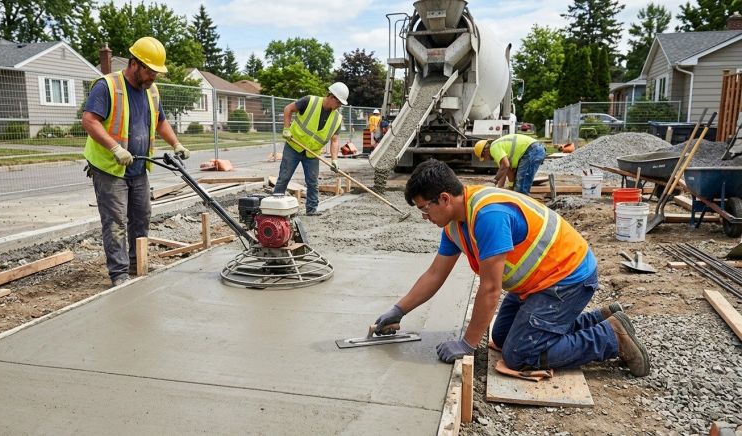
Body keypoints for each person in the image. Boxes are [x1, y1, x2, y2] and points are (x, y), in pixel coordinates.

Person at [373, 159, 650, 377]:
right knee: (503, 337)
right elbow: (434, 274)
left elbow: (491, 290)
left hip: (566, 280)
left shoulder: (488, 216)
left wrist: (468, 345)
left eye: (425, 209)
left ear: (444, 199)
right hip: (538, 283)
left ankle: (611, 337)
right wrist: (399, 311)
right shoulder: (455, 226)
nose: (425, 217)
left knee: (520, 355)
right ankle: (601, 318)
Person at [82, 36, 190, 287]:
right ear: (134, 64)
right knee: (116, 222)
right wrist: (115, 148)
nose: (154, 77)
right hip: (110, 168)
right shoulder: (107, 86)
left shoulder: (151, 90)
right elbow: (89, 121)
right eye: (151, 71)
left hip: (138, 168)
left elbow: (161, 121)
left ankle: (135, 265)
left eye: (156, 73)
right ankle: (119, 275)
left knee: (141, 217)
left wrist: (176, 143)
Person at [275, 82, 347, 216]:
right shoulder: (309, 101)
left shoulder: (337, 118)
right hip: (294, 146)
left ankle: (311, 210)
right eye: (339, 103)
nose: (339, 106)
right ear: (331, 97)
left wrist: (335, 160)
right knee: (284, 177)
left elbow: (335, 140)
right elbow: (288, 109)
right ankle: (275, 206)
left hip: (312, 153)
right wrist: (286, 128)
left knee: (313, 183)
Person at [473, 133, 546, 196]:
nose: (486, 159)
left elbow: (506, 165)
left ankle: (521, 210)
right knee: (517, 188)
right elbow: (507, 173)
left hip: (532, 151)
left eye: (483, 157)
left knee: (520, 189)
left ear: (485, 151)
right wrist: (502, 190)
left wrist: (495, 180)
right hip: (533, 150)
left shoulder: (493, 148)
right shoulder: (499, 154)